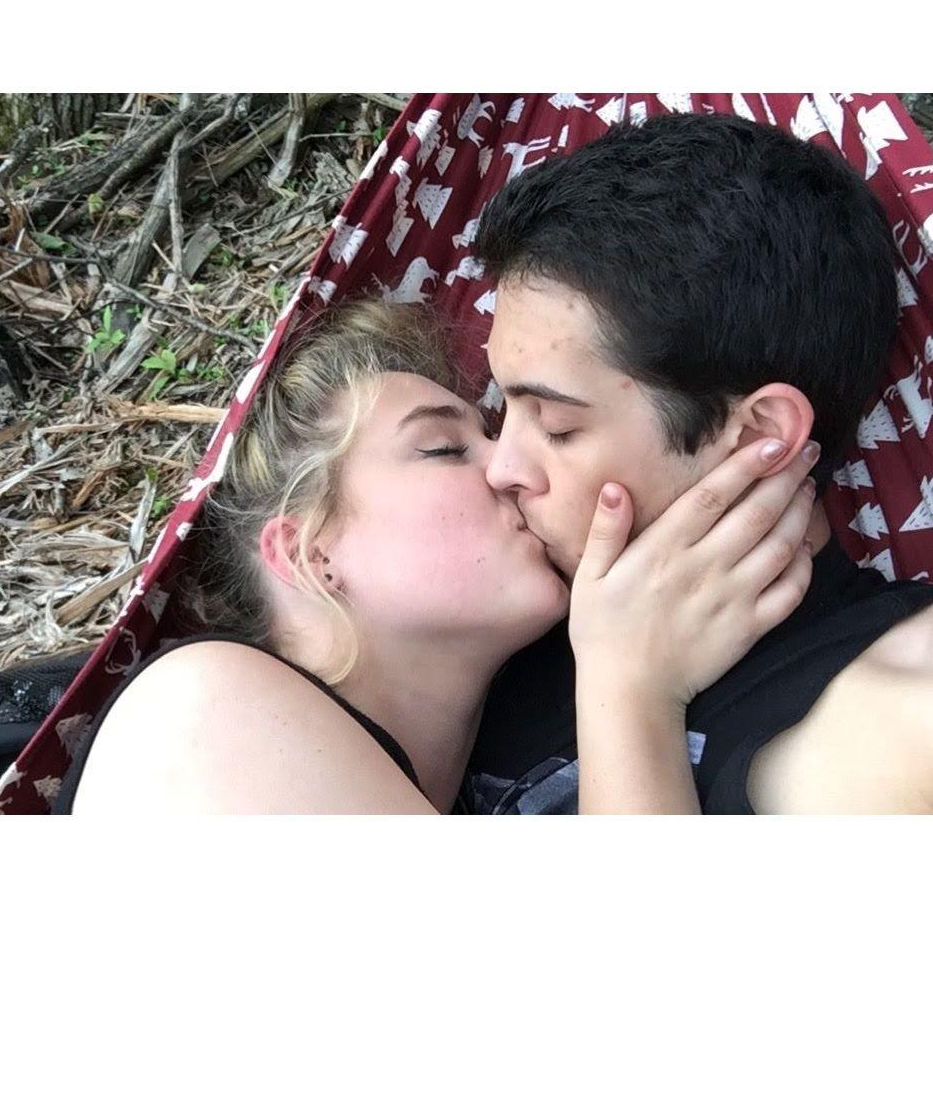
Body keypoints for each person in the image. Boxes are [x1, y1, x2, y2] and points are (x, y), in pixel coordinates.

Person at [465, 110, 933, 814]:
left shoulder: (924, 696)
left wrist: (628, 690)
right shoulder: (485, 615)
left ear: (757, 437)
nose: (500, 467)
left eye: (555, 425)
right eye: (500, 411)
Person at [62, 299, 818, 814]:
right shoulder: (204, 713)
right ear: (309, 552)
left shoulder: (448, 772)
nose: (508, 466)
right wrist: (632, 691)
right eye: (444, 447)